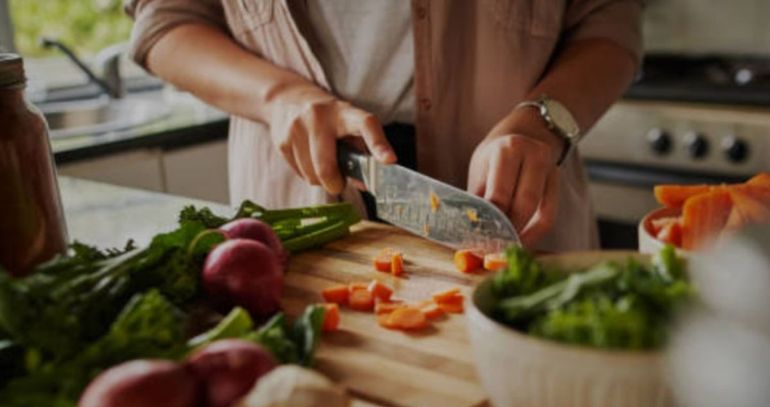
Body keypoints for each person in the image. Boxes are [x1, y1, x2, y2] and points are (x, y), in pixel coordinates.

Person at [125, 0, 642, 251]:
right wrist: (280, 97)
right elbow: (165, 21)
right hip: (303, 201)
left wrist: (542, 123)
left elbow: (610, 26)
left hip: (517, 208)